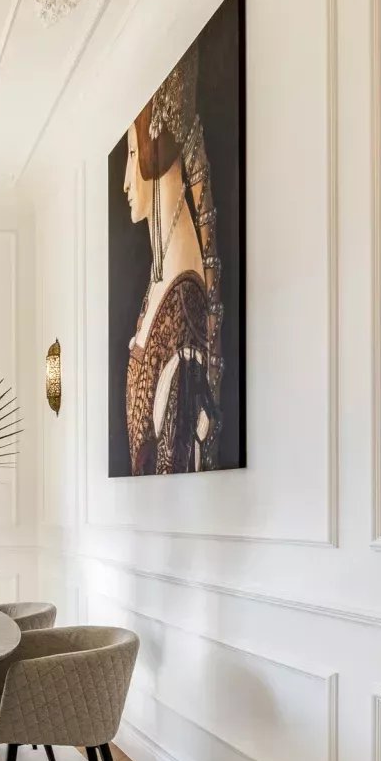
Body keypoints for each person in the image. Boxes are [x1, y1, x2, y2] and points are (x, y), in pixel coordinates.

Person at [121, 47, 224, 475]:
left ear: (152, 150)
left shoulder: (184, 294)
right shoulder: (165, 279)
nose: (126, 183)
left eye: (131, 156)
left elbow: (174, 464)